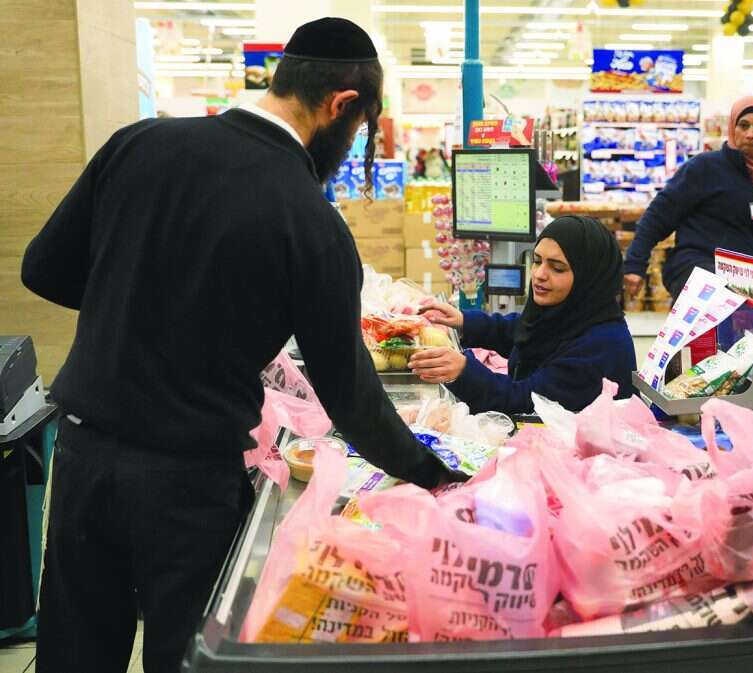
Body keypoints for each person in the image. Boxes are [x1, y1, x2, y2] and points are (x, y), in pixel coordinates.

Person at [22, 18, 460, 673]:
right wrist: (434, 473)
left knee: (75, 654)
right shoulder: (309, 220)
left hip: (85, 455)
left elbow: (43, 268)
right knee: (186, 659)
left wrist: (135, 303)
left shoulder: (138, 144)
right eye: (360, 126)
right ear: (339, 105)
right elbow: (350, 396)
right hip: (188, 484)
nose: (353, 142)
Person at [408, 215, 636, 415]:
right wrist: (463, 322)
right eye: (537, 261)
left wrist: (465, 372)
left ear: (589, 278)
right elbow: (522, 330)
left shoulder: (603, 346)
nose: (539, 275)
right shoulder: (567, 315)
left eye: (557, 268)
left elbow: (527, 400)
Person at [623, 96, 753, 316]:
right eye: (743, 125)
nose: (751, 133)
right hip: (696, 266)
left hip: (743, 275)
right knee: (726, 300)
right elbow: (658, 215)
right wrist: (635, 265)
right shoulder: (704, 168)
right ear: (732, 128)